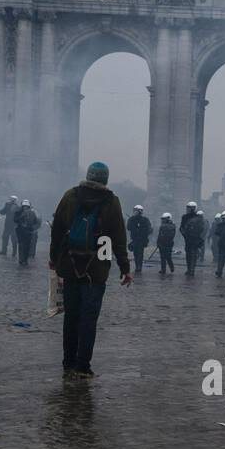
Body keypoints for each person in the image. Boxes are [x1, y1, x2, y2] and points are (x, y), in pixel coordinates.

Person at [48, 161, 132, 379]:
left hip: (69, 264)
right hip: (97, 268)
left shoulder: (69, 196)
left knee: (71, 317)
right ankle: (83, 366)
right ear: (105, 179)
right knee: (88, 319)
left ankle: (68, 362)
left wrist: (53, 259)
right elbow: (119, 238)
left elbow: (57, 230)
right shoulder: (112, 202)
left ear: (87, 175)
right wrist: (125, 267)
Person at [180, 201, 205, 275]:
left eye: (189, 208)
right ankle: (190, 269)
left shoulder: (193, 217)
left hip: (192, 239)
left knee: (192, 254)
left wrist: (187, 235)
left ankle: (191, 270)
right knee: (190, 254)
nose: (188, 209)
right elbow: (181, 228)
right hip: (191, 239)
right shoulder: (186, 217)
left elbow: (201, 228)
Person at [127, 204, 152, 274]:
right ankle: (137, 265)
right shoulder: (132, 219)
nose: (134, 212)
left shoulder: (145, 220)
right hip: (134, 239)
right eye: (134, 210)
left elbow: (150, 230)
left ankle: (139, 266)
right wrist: (133, 222)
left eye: (136, 211)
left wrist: (143, 231)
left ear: (140, 212)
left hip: (141, 239)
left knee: (140, 253)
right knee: (135, 253)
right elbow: (128, 227)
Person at [14, 199, 41, 266]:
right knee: (21, 245)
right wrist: (21, 217)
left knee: (27, 246)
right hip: (20, 231)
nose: (25, 208)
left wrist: (32, 227)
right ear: (22, 206)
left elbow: (36, 222)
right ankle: (21, 259)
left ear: (28, 207)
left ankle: (25, 259)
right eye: (24, 206)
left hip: (29, 232)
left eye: (26, 206)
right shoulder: (18, 212)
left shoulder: (33, 213)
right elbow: (15, 220)